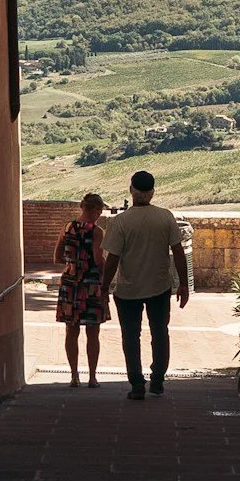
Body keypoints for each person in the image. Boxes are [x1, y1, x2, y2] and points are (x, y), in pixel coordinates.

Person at [98, 169, 189, 399]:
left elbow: (112, 259)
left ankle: (137, 384)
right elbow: (178, 252)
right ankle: (157, 380)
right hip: (159, 286)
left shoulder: (120, 221)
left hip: (128, 290)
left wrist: (104, 287)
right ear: (152, 193)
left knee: (130, 336)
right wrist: (184, 284)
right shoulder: (165, 217)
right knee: (160, 333)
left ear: (131, 190)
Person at [53, 192, 108, 387]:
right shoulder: (96, 231)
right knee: (93, 332)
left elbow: (57, 257)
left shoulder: (67, 228)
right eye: (100, 211)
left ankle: (74, 376)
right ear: (94, 209)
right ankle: (92, 377)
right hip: (90, 284)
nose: (100, 214)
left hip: (69, 283)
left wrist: (72, 262)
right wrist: (105, 274)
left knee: (71, 330)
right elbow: (97, 258)